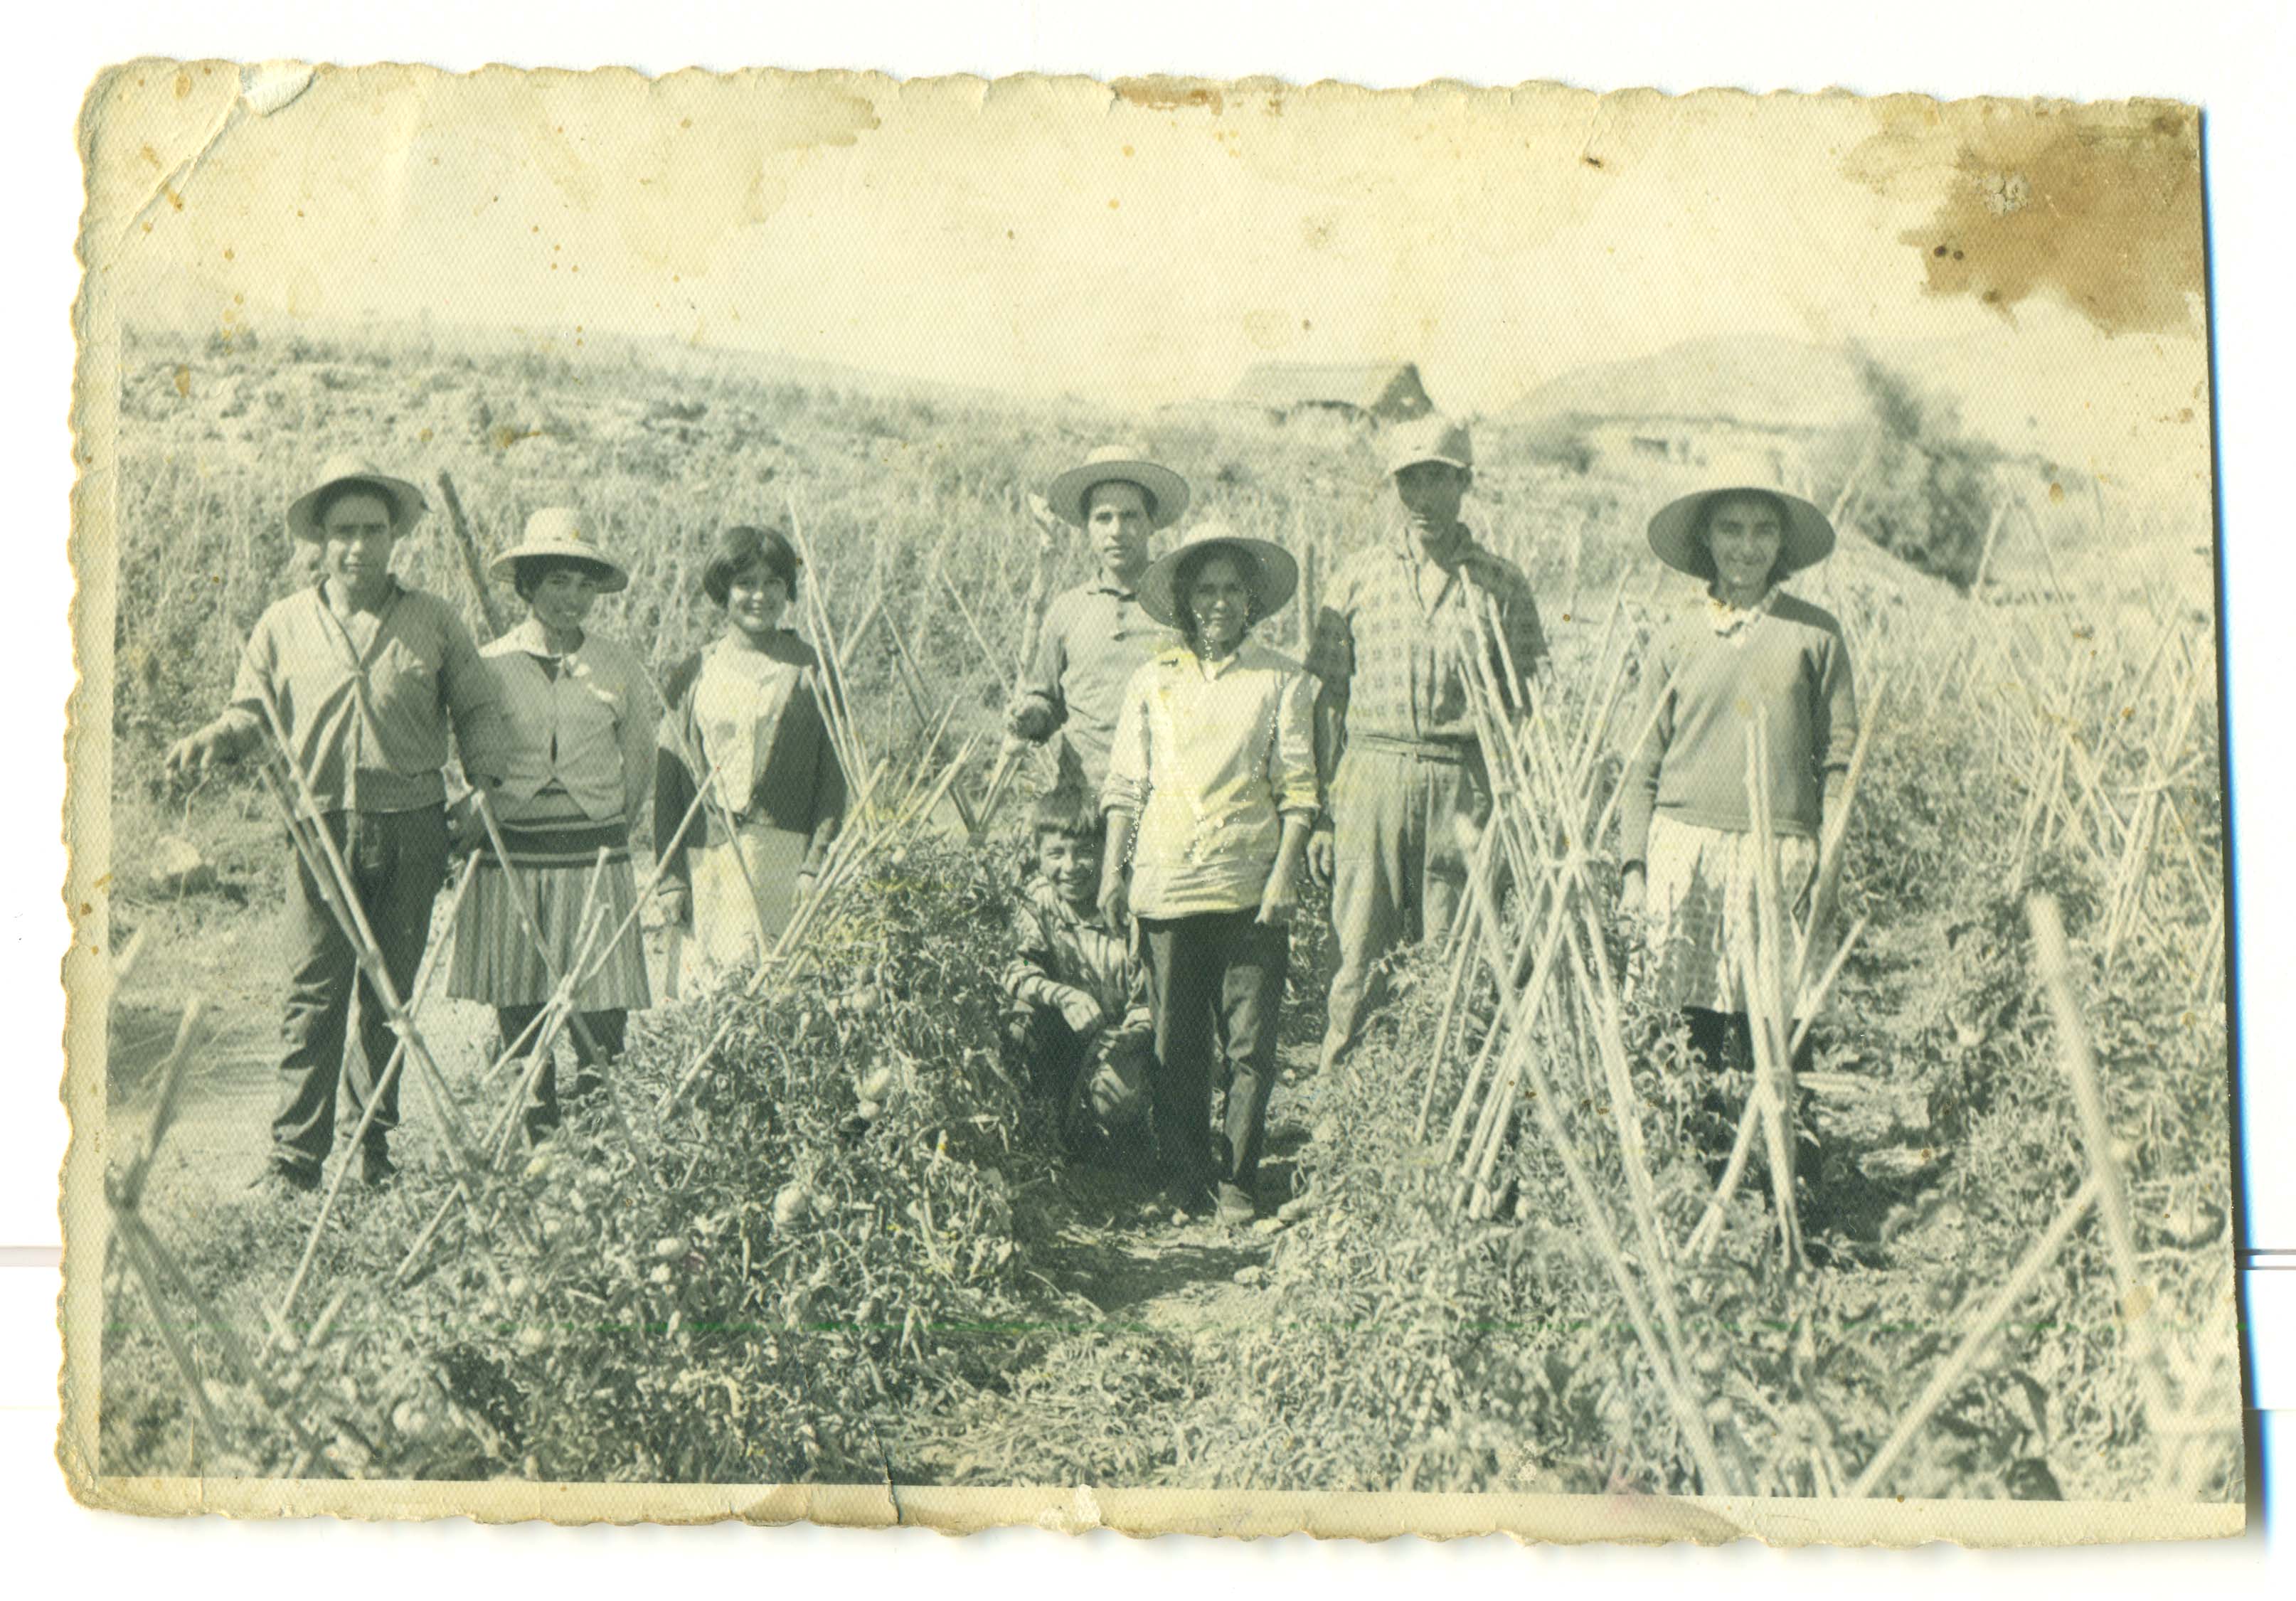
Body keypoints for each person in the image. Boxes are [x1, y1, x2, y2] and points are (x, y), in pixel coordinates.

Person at [163, 455, 508, 1195]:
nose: (358, 546)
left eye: (373, 531)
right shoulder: (283, 625)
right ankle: (295, 1162)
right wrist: (213, 738)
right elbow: (248, 713)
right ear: (319, 539)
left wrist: (485, 790)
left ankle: (368, 1153)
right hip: (318, 831)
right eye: (344, 531)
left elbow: (477, 708)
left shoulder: (434, 620)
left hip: (414, 830)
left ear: (395, 537)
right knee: (312, 997)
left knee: (389, 1002)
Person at [1616, 460, 1858, 1139]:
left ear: (1783, 542)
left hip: (1780, 855)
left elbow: (1840, 759)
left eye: (1762, 530)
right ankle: (1683, 1176)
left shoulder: (1818, 635)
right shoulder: (1675, 638)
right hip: (1683, 853)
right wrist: (1634, 873)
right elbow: (1641, 765)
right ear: (1706, 540)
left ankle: (1783, 1191)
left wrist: (1828, 860)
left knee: (1774, 1038)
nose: (1745, 546)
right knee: (1680, 1038)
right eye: (1730, 528)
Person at [1306, 414, 1548, 1075]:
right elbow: (1328, 700)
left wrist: (1514, 813)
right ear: (1394, 486)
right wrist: (1327, 810)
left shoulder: (1502, 585)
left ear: (1465, 483)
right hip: (1370, 778)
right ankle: (1340, 1120)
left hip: (1462, 785)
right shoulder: (1355, 579)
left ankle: (1437, 1105)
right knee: (1356, 957)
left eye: (1439, 478)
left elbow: (1528, 710)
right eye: (1410, 479)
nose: (1424, 497)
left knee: (1453, 958)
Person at [1101, 521, 1318, 1225]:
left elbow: (1298, 789)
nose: (1219, 603)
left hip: (1249, 885)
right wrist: (1113, 872)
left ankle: (1237, 1178)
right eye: (1206, 589)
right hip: (1167, 884)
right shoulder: (1154, 678)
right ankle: (1182, 1173)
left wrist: (1285, 876)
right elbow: (1127, 786)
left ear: (1250, 601)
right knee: (1175, 1043)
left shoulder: (1280, 679)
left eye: (1232, 590)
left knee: (1250, 1043)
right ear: (1186, 599)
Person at [447, 508, 662, 1140]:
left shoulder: (618, 664)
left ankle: (603, 1141)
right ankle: (533, 1142)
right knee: (520, 1006)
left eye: (584, 584)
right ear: (529, 587)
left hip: (594, 853)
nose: (573, 598)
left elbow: (641, 757)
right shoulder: (490, 662)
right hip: (513, 853)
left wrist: (613, 823)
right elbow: (466, 748)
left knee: (602, 1012)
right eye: (558, 583)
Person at [654, 524, 848, 980]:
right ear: (724, 590)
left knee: (775, 993)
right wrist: (670, 877)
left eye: (773, 583)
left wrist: (814, 866)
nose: (760, 596)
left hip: (784, 864)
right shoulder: (693, 673)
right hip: (708, 863)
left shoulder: (810, 671)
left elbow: (834, 779)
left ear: (788, 589)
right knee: (710, 992)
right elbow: (669, 783)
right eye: (746, 583)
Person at [1004, 444, 1189, 793]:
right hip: (1084, 798)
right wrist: (1029, 716)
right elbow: (1046, 701)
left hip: (1162, 799)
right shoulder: (1068, 610)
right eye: (1103, 518)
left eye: (1130, 516)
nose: (1117, 531)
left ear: (1151, 523)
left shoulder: (1179, 608)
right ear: (1087, 527)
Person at [999, 787, 1152, 1155]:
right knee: (1018, 1025)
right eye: (1056, 854)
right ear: (1038, 856)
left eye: (1085, 853)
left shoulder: (1131, 910)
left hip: (1118, 1038)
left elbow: (1151, 1000)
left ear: (1108, 852)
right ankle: (1046, 1129)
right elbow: (1014, 968)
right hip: (1063, 1033)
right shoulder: (1039, 900)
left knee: (1115, 1097)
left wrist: (1134, 1033)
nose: (1069, 868)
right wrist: (1064, 995)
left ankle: (1124, 1136)